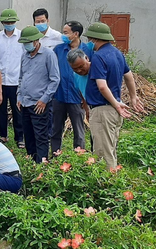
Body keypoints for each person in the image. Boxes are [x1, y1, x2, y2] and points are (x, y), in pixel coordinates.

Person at [82, 22, 144, 169]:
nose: (90, 43)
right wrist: (133, 96)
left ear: (95, 39)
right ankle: (112, 182)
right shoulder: (117, 53)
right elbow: (129, 76)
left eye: (90, 39)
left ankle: (108, 187)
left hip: (103, 110)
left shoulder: (98, 57)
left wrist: (116, 104)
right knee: (110, 149)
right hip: (114, 110)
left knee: (103, 154)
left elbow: (102, 86)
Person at [16, 25, 60, 163]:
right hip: (25, 102)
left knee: (40, 135)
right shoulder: (25, 56)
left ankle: (42, 162)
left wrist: (44, 99)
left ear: (36, 41)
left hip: (39, 103)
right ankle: (32, 161)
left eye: (28, 43)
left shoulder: (48, 55)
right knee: (28, 134)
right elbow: (21, 78)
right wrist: (19, 96)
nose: (26, 46)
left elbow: (55, 79)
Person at [51, 21, 93, 153]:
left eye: (65, 32)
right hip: (59, 95)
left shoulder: (88, 50)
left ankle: (79, 154)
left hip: (78, 97)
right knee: (56, 128)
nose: (63, 35)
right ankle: (55, 154)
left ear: (75, 34)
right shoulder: (58, 50)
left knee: (79, 128)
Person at [0, 8, 25, 148]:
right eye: (6, 22)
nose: (9, 24)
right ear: (3, 23)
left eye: (11, 22)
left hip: (16, 79)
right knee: (0, 108)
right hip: (1, 79)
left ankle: (20, 137)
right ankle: (3, 135)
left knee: (17, 109)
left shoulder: (21, 36)